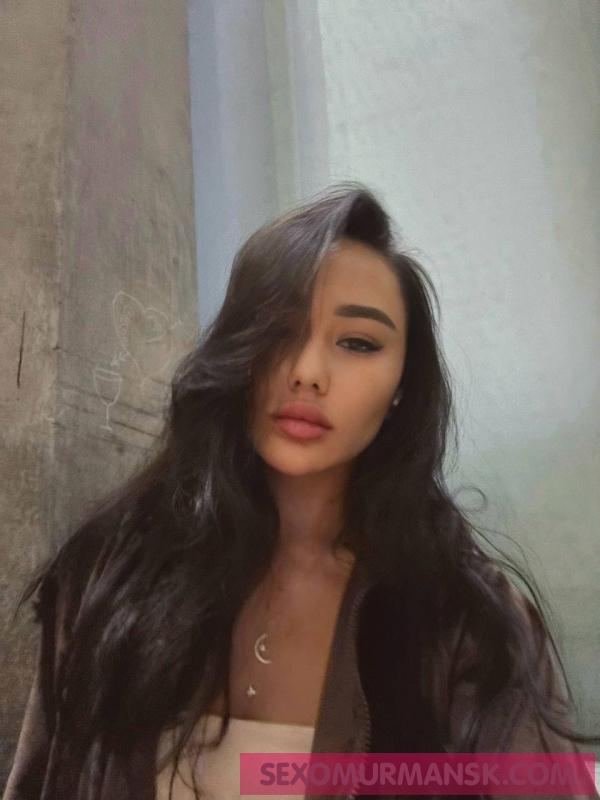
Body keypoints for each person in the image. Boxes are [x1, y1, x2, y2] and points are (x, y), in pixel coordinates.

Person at [4, 183, 599, 800]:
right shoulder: (111, 577)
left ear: (403, 383)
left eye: (358, 343)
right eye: (278, 330)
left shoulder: (464, 622)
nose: (308, 372)